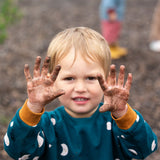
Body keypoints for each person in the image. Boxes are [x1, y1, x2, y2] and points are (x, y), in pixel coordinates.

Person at [4, 27, 157, 160]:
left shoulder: (118, 123)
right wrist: (33, 107)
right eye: (69, 78)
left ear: (107, 79)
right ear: (54, 80)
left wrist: (123, 112)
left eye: (91, 78)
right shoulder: (45, 126)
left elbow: (143, 148)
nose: (80, 88)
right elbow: (18, 151)